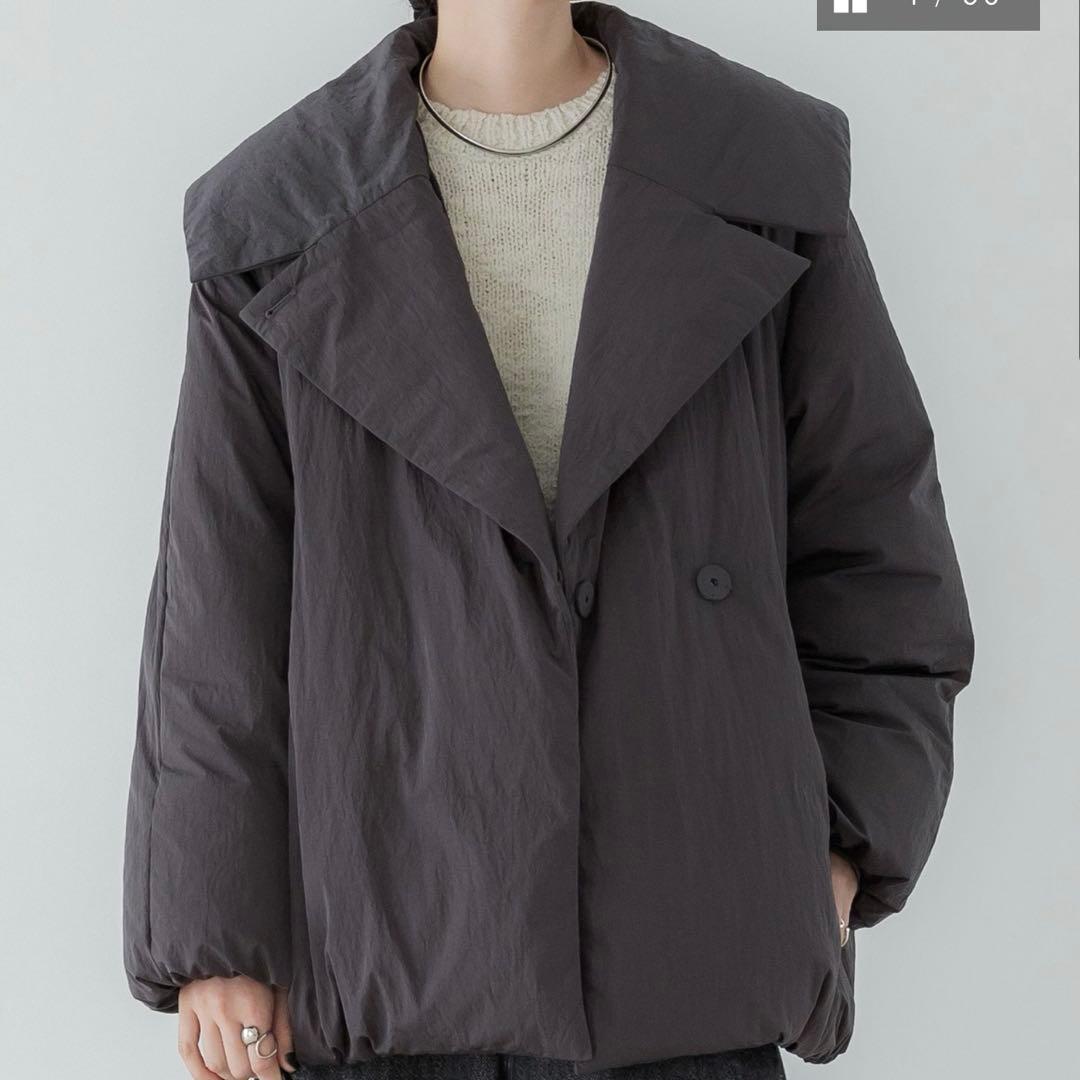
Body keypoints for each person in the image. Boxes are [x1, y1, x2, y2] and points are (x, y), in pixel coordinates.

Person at [121, 2, 975, 1079]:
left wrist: (839, 849)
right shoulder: (276, 213)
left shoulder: (763, 170)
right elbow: (219, 615)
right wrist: (218, 937)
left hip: (690, 959)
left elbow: (877, 548)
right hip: (389, 960)